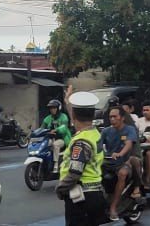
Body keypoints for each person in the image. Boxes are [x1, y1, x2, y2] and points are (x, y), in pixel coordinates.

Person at [56, 91, 106, 226]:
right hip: (96, 193)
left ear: (73, 116)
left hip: (81, 198)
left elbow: (75, 172)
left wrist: (61, 189)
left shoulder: (81, 141)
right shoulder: (94, 133)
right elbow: (77, 118)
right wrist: (68, 102)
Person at [101, 106, 140, 222]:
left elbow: (128, 144)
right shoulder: (106, 131)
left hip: (124, 162)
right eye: (110, 117)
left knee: (122, 174)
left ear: (122, 118)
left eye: (115, 117)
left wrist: (120, 153)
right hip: (108, 162)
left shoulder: (129, 129)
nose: (112, 119)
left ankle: (113, 208)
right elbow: (97, 146)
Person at [42, 99, 72, 169]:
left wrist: (56, 130)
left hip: (62, 139)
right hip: (50, 138)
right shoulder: (48, 118)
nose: (52, 110)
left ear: (59, 108)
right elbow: (42, 127)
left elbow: (64, 127)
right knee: (44, 144)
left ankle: (56, 164)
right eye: (51, 108)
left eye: (54, 108)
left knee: (55, 144)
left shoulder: (63, 116)